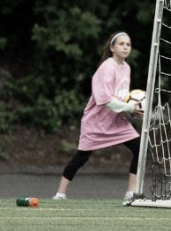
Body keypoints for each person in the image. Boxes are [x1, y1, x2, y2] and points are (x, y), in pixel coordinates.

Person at [53, 31, 143, 203]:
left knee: (139, 148)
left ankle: (131, 193)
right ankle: (60, 194)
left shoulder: (126, 68)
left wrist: (133, 110)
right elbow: (106, 100)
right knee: (81, 157)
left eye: (128, 44)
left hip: (116, 121)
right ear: (112, 48)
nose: (125, 47)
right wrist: (129, 107)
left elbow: (121, 97)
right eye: (121, 44)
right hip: (96, 122)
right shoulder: (106, 68)